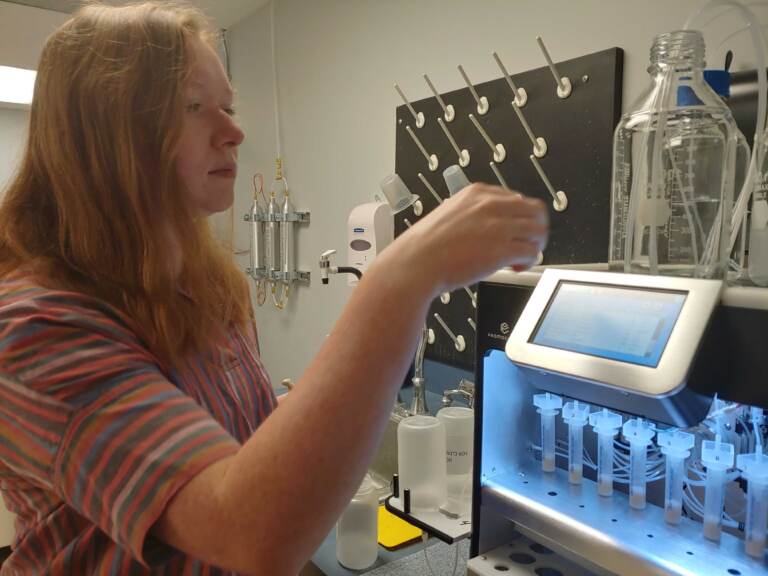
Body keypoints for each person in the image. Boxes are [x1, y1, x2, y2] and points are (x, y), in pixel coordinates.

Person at [0, 2, 548, 575]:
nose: (234, 133)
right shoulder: (35, 327)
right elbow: (248, 532)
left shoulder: (208, 291)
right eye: (194, 107)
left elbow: (257, 448)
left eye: (229, 108)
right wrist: (401, 278)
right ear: (106, 129)